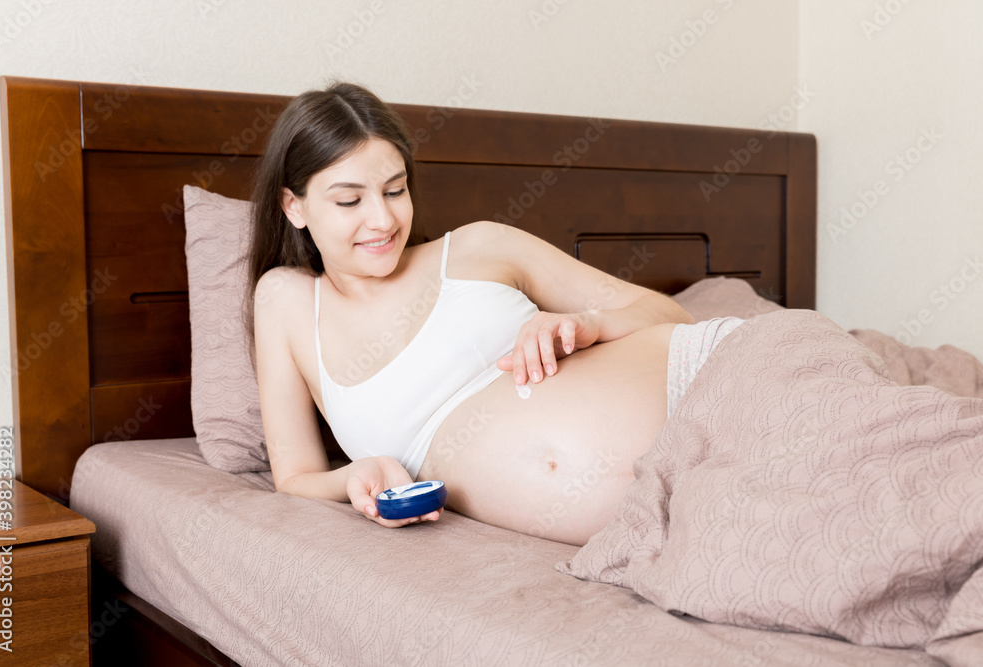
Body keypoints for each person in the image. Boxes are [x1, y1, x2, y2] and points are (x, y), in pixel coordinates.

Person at [246, 81, 704, 547]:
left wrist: (593, 324)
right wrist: (351, 477)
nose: (382, 220)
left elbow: (673, 315)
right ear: (294, 205)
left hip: (712, 392)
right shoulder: (286, 300)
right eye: (350, 201)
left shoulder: (480, 246)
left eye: (395, 190)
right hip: (685, 504)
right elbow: (296, 474)